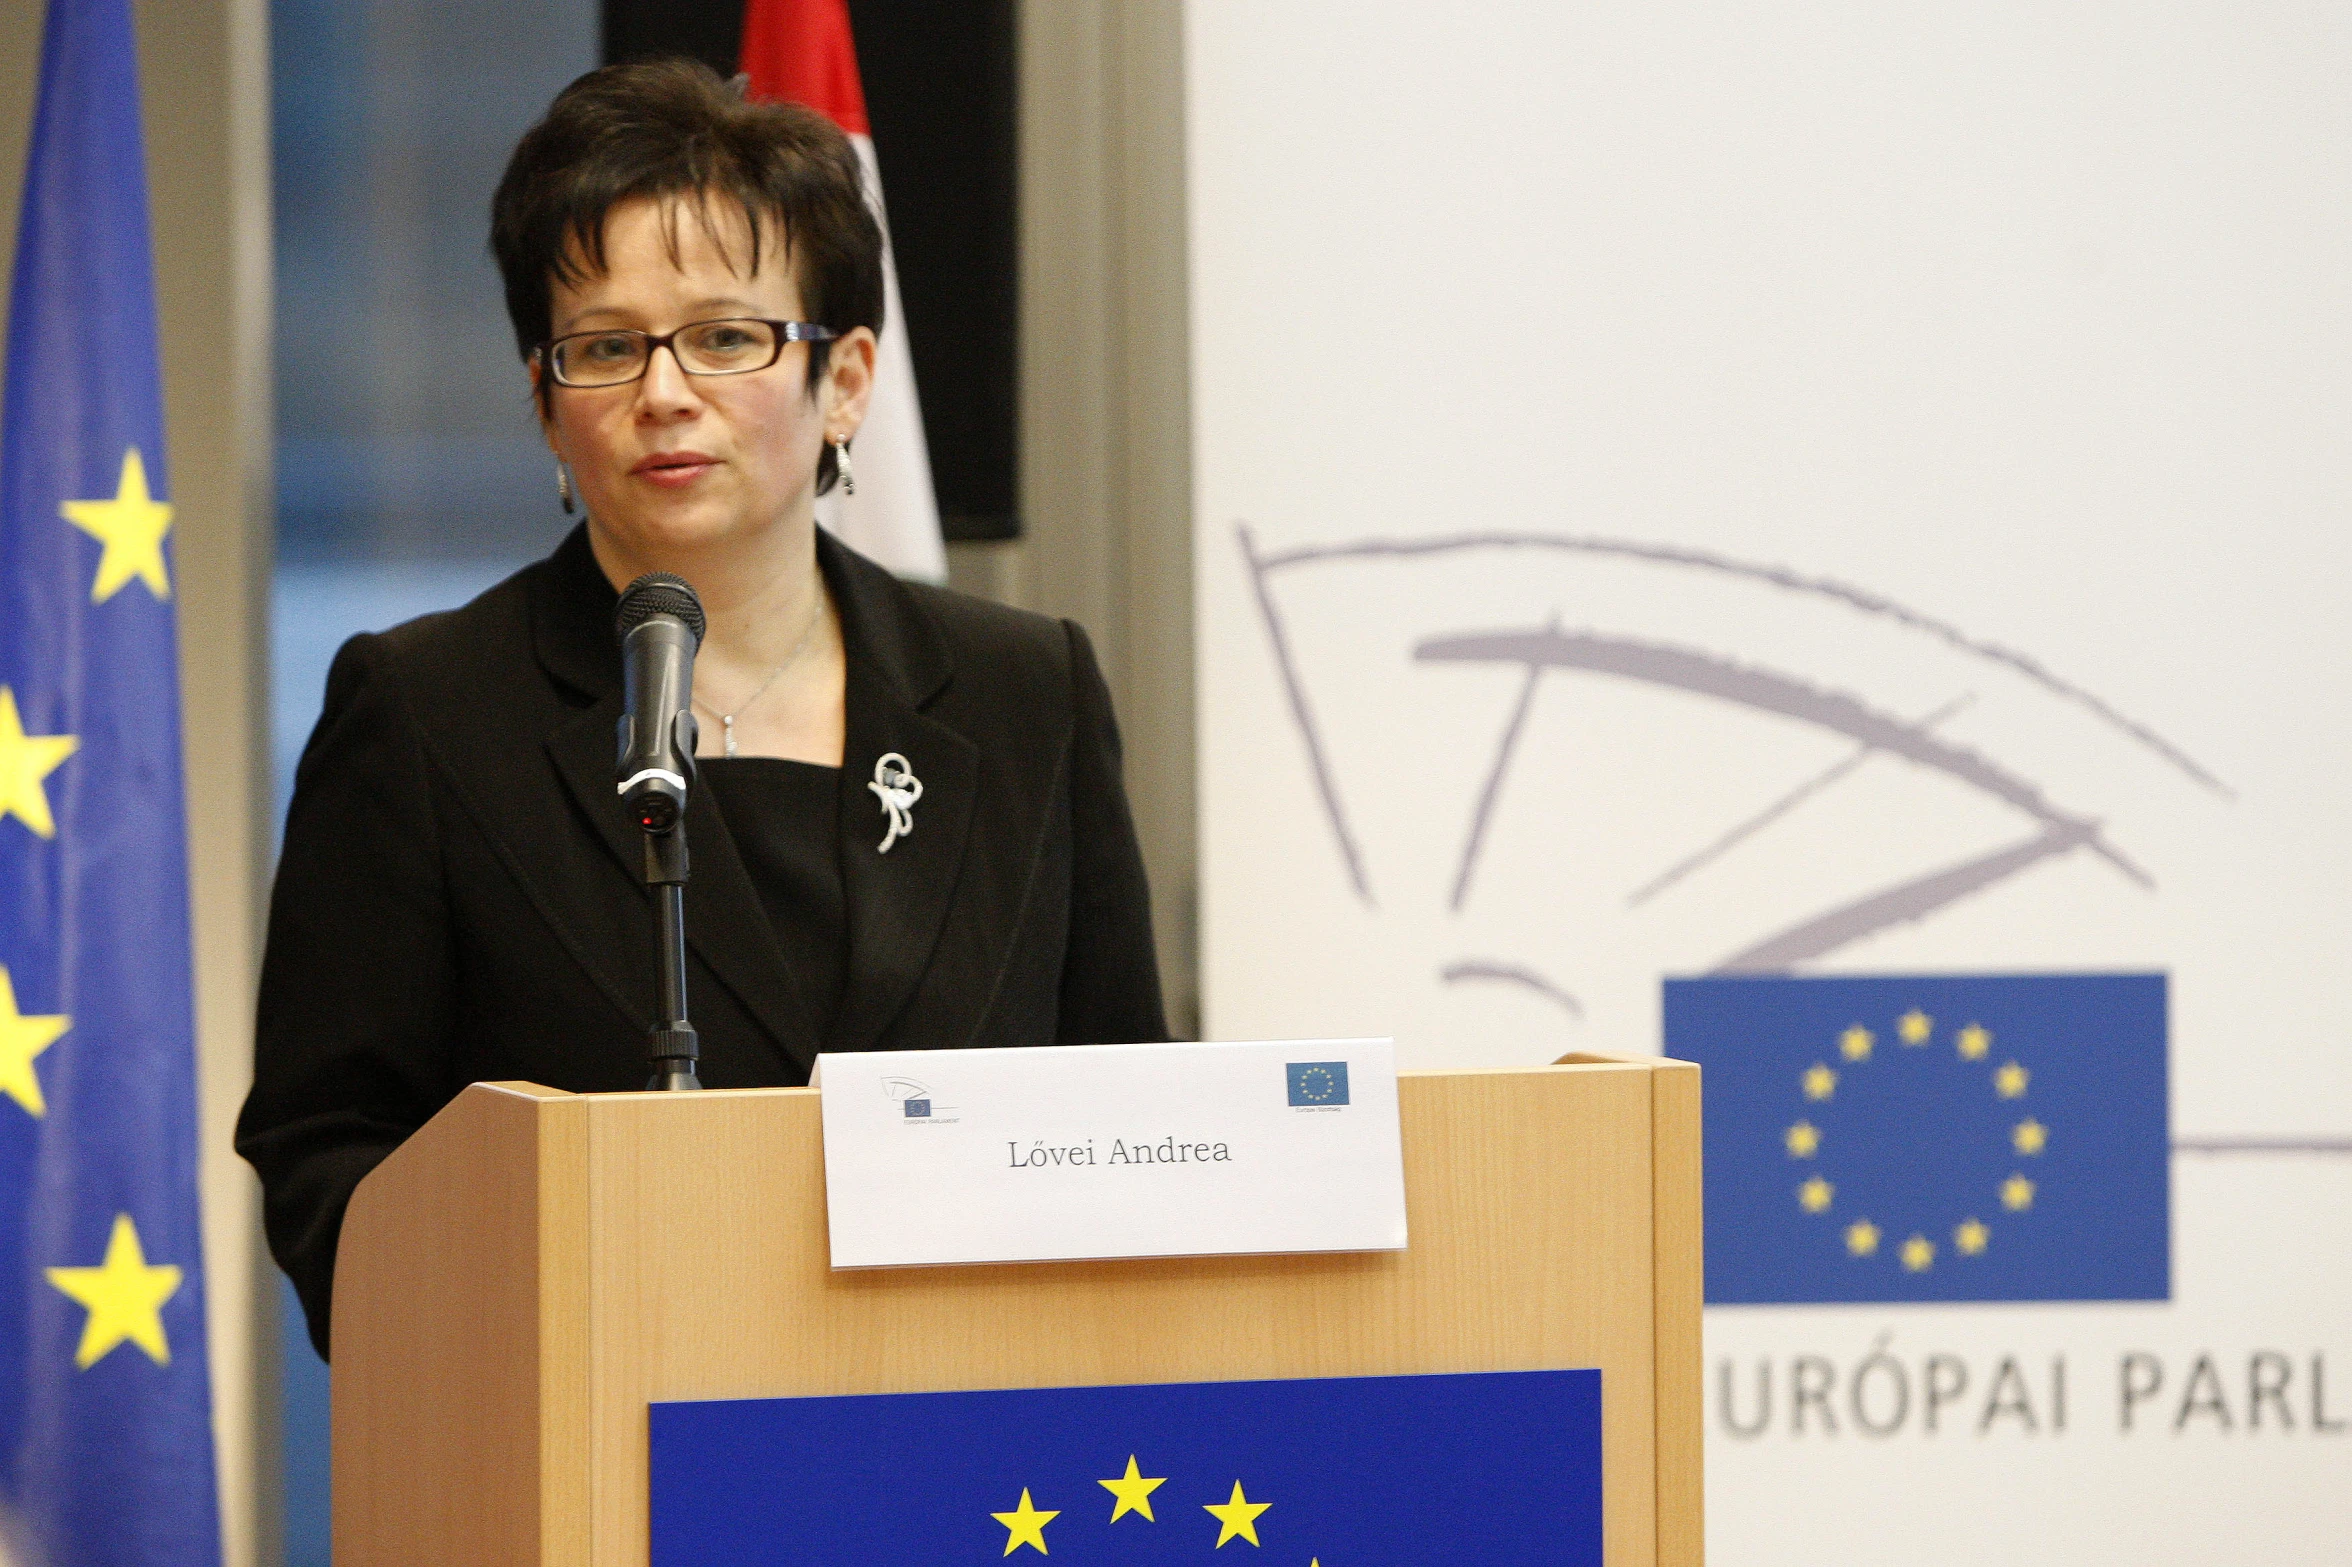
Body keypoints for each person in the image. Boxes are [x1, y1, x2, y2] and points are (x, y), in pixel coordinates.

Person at [236, 59, 1167, 1359]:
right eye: (606, 346)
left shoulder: (1026, 697)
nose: (662, 391)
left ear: (842, 378)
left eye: (725, 336)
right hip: (591, 1461)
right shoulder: (430, 712)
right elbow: (327, 1154)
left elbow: (1137, 1115)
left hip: (987, 1454)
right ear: (546, 400)